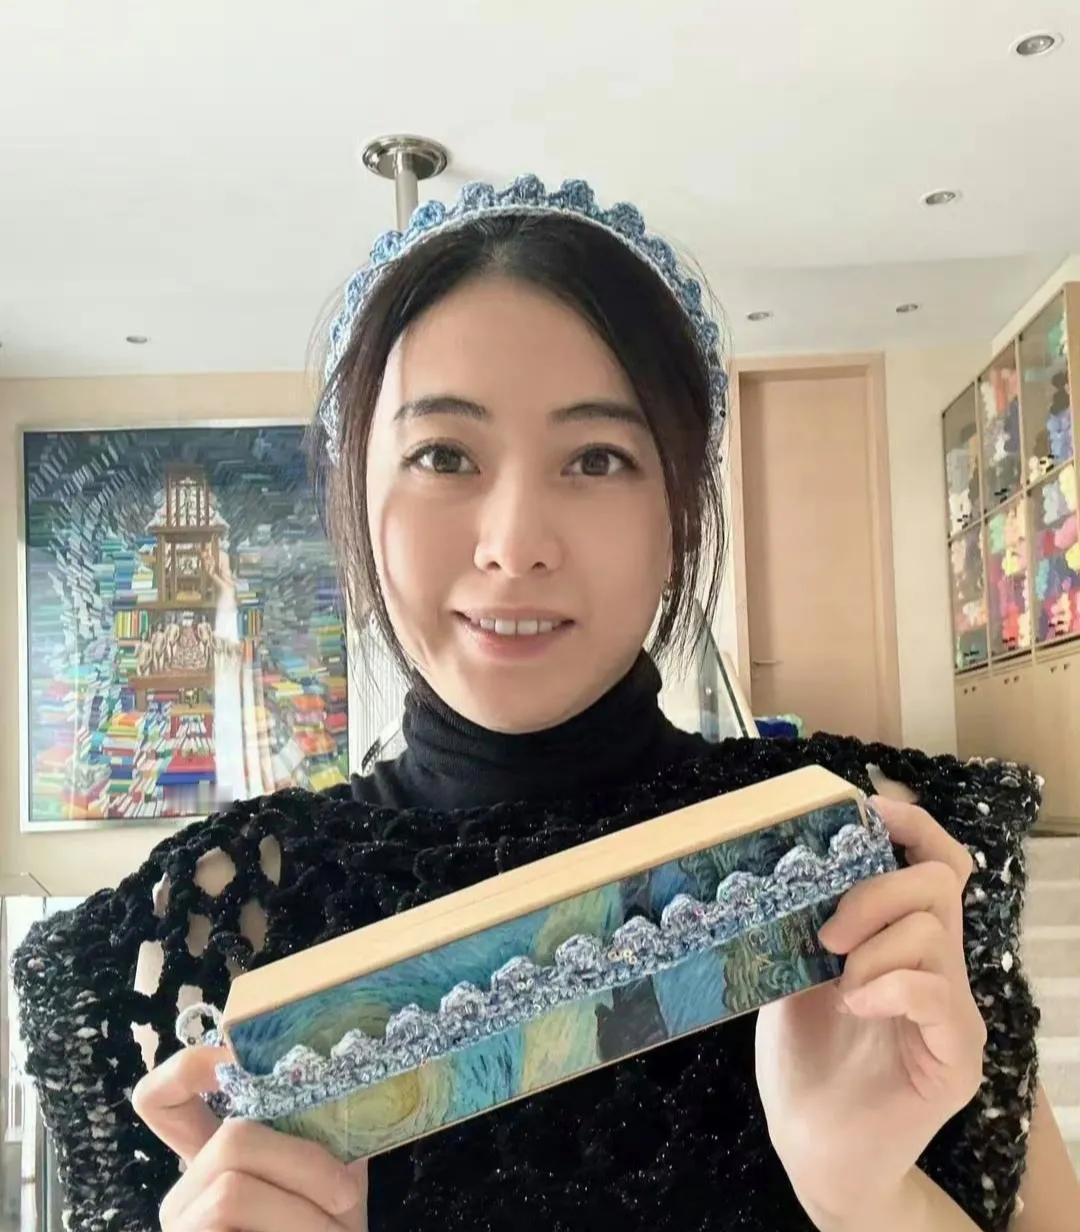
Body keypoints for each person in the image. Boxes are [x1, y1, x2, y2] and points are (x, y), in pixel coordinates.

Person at [11, 175, 1077, 1232]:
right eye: (443, 455)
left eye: (597, 458)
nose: (515, 541)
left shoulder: (874, 857)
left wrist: (868, 1195)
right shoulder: (189, 939)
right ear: (355, 492)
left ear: (680, 507)